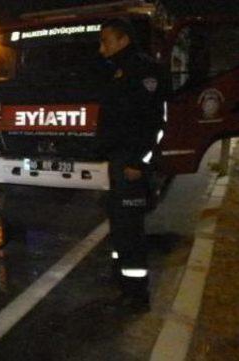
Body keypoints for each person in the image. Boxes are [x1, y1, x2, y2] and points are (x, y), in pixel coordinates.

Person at [96, 18, 167, 312]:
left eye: (106, 41)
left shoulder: (145, 71)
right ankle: (121, 280)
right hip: (117, 161)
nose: (102, 49)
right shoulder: (118, 71)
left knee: (130, 229)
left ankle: (137, 296)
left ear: (123, 40)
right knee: (118, 223)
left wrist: (141, 162)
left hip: (131, 164)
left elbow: (157, 124)